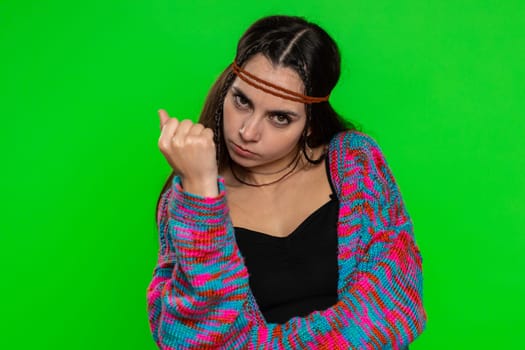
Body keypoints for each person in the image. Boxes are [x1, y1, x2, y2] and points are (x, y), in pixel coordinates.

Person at [147, 15, 426, 349]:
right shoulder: (189, 198)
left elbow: (393, 307)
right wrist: (201, 193)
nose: (247, 132)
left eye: (280, 117)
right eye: (242, 101)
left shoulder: (355, 163)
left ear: (309, 124)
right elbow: (190, 339)